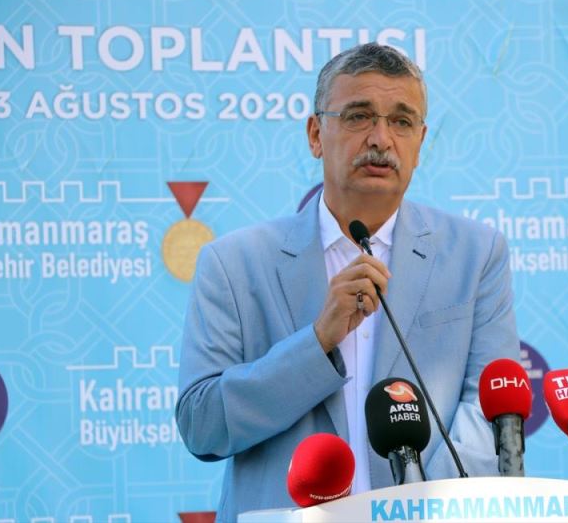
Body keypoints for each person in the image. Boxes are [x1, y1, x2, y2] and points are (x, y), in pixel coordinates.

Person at [176, 42, 520, 522]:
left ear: (420, 142)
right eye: (359, 116)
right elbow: (203, 426)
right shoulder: (234, 263)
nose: (381, 138)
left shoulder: (476, 254)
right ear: (316, 134)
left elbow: (488, 416)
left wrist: (409, 508)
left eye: (401, 121)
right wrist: (317, 341)